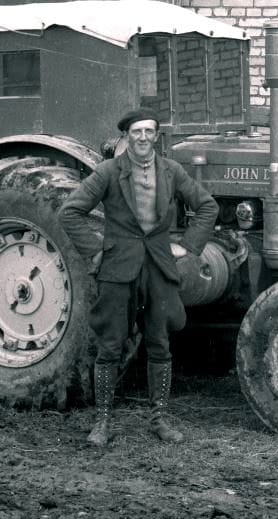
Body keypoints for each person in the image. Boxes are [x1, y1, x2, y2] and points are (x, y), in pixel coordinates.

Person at [59, 107, 218, 447]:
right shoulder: (107, 172)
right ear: (126, 137)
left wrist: (187, 246)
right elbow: (70, 211)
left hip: (159, 267)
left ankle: (159, 419)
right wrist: (96, 251)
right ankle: (102, 422)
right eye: (136, 132)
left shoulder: (172, 171)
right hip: (118, 270)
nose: (143, 138)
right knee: (110, 346)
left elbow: (207, 207)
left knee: (160, 343)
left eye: (149, 132)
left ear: (156, 136)